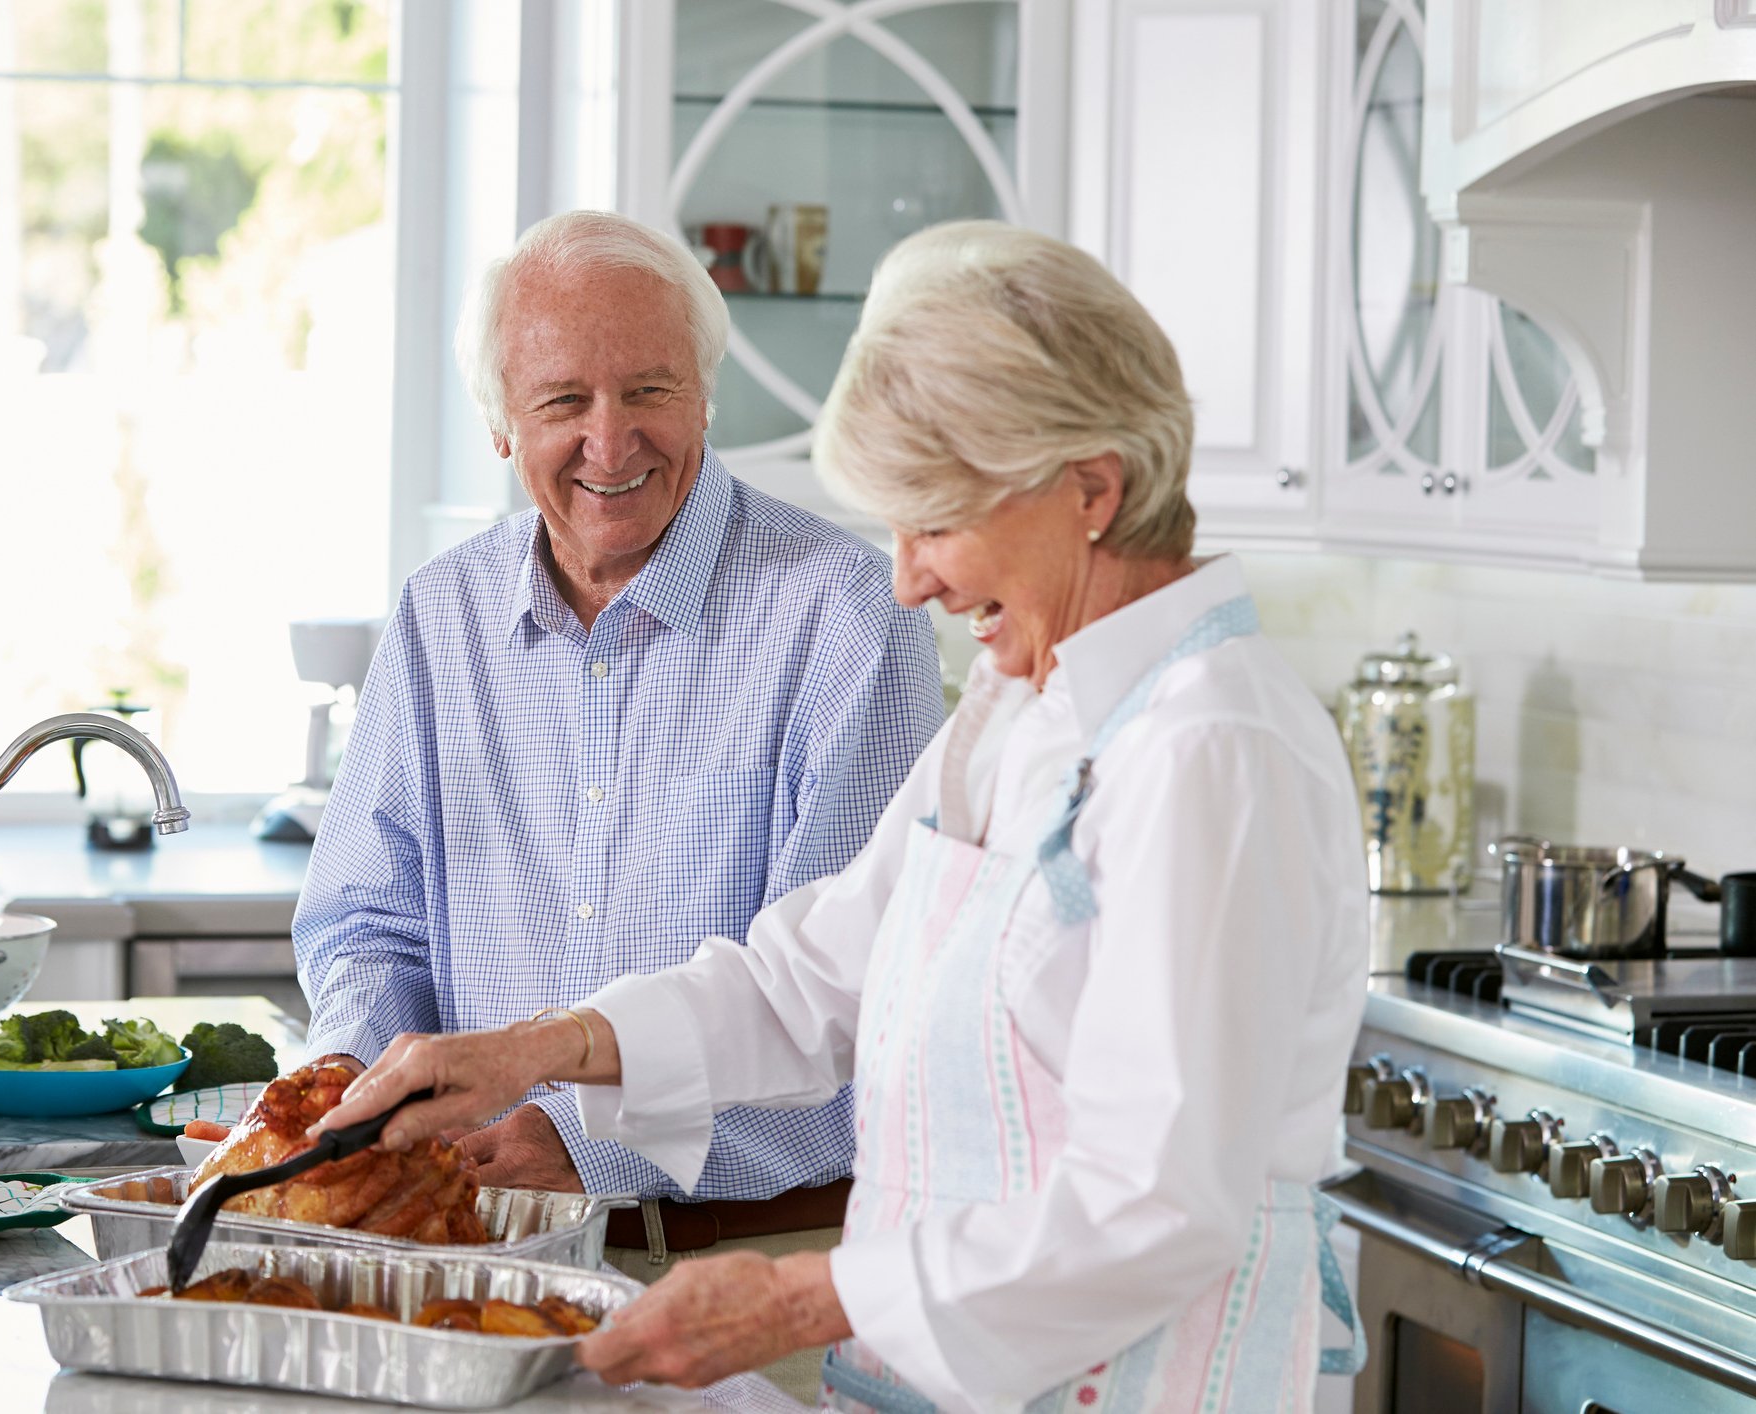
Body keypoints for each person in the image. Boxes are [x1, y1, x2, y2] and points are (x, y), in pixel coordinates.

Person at [315, 221, 1370, 1412]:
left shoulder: (1214, 747)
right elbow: (803, 979)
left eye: (936, 519)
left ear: (1092, 488)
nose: (910, 576)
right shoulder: (1024, 707)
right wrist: (538, 1049)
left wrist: (796, 1301)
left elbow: (1155, 1203)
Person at [291, 210, 944, 1297]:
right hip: (471, 1249)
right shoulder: (439, 617)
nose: (611, 441)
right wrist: (363, 1083)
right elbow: (369, 919)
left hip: (745, 1266)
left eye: (649, 390)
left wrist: (590, 1141)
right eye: (562, 402)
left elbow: (845, 1000)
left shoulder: (849, 618)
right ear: (501, 426)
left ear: (704, 392)